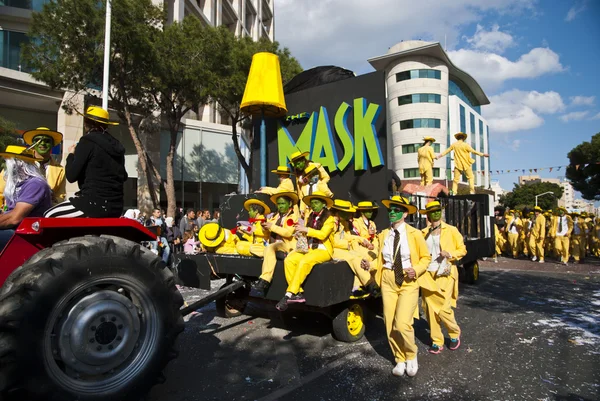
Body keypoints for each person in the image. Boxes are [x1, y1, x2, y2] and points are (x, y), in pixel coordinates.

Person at [377, 195, 430, 377]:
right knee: (390, 323)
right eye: (390, 210)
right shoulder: (383, 234)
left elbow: (426, 258)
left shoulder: (415, 234)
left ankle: (411, 354)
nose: (392, 213)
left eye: (397, 210)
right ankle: (399, 358)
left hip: (408, 281)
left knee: (402, 323)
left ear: (405, 213)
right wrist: (369, 264)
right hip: (388, 279)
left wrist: (416, 269)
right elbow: (379, 258)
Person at [44, 106, 127, 218]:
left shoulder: (87, 141)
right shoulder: (117, 146)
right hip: (117, 207)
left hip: (92, 204)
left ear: (86, 123)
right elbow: (124, 176)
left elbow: (71, 176)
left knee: (48, 215)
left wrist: (71, 155)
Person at [418, 201, 466, 354]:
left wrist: (450, 254)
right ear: (428, 215)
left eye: (438, 210)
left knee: (443, 307)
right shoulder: (422, 233)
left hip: (445, 272)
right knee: (429, 309)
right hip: (427, 274)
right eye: (432, 211)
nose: (436, 214)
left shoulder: (451, 230)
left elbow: (462, 249)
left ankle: (454, 333)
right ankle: (436, 340)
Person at [277, 191, 335, 311]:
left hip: (323, 250)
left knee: (304, 261)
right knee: (289, 260)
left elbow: (323, 235)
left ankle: (289, 294)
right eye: (312, 203)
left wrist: (306, 229)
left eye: (316, 203)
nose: (314, 205)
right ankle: (298, 293)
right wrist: (299, 232)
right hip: (309, 249)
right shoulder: (310, 216)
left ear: (323, 204)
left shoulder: (330, 219)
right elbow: (307, 233)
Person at [0, 145, 52, 251]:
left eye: (7, 162)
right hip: (14, 229)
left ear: (18, 164)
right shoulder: (16, 184)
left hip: (27, 233)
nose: (5, 167)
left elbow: (15, 218)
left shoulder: (35, 184)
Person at [0, 127, 66, 207]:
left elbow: (61, 195)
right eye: (38, 140)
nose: (42, 143)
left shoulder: (60, 169)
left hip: (45, 212)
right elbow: (1, 190)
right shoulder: (19, 163)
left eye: (47, 141)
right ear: (33, 144)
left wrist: (54, 200)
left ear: (52, 144)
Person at [252, 191, 299, 296]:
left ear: (290, 204)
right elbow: (266, 234)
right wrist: (265, 228)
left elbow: (287, 233)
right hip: (273, 246)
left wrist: (272, 227)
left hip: (286, 245)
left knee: (270, 248)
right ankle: (273, 255)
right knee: (253, 248)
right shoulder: (274, 216)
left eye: (283, 203)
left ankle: (265, 279)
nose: (280, 206)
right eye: (278, 204)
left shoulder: (293, 217)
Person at [330, 199, 379, 297]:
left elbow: (345, 236)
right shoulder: (332, 222)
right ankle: (370, 284)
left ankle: (360, 285)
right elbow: (333, 241)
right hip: (331, 249)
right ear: (340, 212)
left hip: (341, 248)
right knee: (353, 258)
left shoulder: (341, 222)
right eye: (347, 213)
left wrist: (360, 239)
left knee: (359, 257)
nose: (349, 215)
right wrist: (346, 244)